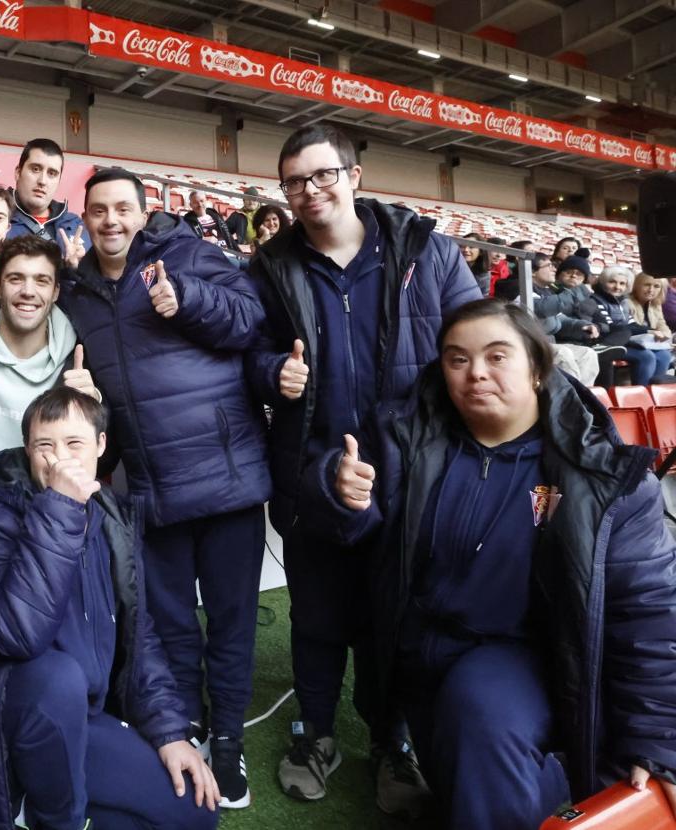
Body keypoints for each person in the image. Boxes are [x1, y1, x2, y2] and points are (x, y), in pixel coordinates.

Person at [312, 298, 676, 829]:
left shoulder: (606, 479)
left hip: (513, 659)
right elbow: (336, 501)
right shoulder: (404, 436)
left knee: (480, 721)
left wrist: (657, 736)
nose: (475, 372)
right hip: (413, 652)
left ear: (537, 367)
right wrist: (338, 490)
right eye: (457, 359)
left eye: (496, 356)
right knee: (461, 781)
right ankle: (538, 782)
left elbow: (648, 612)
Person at [248, 123, 479, 812]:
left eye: (322, 175)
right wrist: (271, 373)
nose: (309, 191)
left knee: (395, 623)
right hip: (311, 473)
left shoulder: (428, 254)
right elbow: (247, 352)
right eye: (295, 182)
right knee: (316, 620)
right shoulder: (270, 266)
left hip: (411, 480)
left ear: (354, 176)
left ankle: (392, 742)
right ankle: (316, 733)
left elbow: (477, 342)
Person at [61, 166, 271, 809]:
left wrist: (188, 299)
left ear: (143, 211)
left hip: (228, 480)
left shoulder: (188, 254)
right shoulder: (79, 293)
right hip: (154, 487)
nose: (111, 221)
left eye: (123, 208)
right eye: (99, 210)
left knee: (232, 625)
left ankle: (229, 739)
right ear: (85, 217)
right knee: (173, 624)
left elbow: (249, 321)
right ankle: (187, 727)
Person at [0, 387, 221, 830]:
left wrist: (168, 732)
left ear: (101, 446)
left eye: (74, 444)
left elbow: (139, 636)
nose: (59, 460)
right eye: (45, 446)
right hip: (16, 716)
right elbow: (16, 635)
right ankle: (42, 809)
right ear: (27, 450)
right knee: (59, 677)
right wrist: (59, 507)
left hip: (85, 717)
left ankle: (47, 806)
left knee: (194, 812)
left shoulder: (110, 517)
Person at [0, 234, 96, 505]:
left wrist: (93, 407)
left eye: (41, 281)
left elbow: (104, 450)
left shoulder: (79, 355)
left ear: (56, 291)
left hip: (44, 503)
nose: (28, 291)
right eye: (15, 279)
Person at [514, 252, 602, 386]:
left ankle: (585, 397)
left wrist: (583, 326)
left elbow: (560, 319)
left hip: (547, 345)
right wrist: (579, 291)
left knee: (587, 354)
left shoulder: (545, 291)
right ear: (532, 271)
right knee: (563, 353)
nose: (554, 269)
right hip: (529, 346)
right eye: (549, 266)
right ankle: (571, 398)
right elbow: (542, 308)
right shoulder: (519, 289)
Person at [8, 137, 89, 263]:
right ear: (18, 172)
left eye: (52, 173)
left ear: (59, 181)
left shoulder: (75, 225)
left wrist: (75, 270)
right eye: (35, 169)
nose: (42, 181)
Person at [592, 265, 672, 385]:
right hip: (615, 343)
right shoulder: (624, 301)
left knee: (664, 355)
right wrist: (650, 331)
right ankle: (642, 393)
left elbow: (659, 323)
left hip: (641, 342)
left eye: (656, 286)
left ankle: (655, 394)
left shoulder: (652, 304)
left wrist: (663, 333)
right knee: (647, 356)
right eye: (647, 285)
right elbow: (620, 328)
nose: (651, 290)